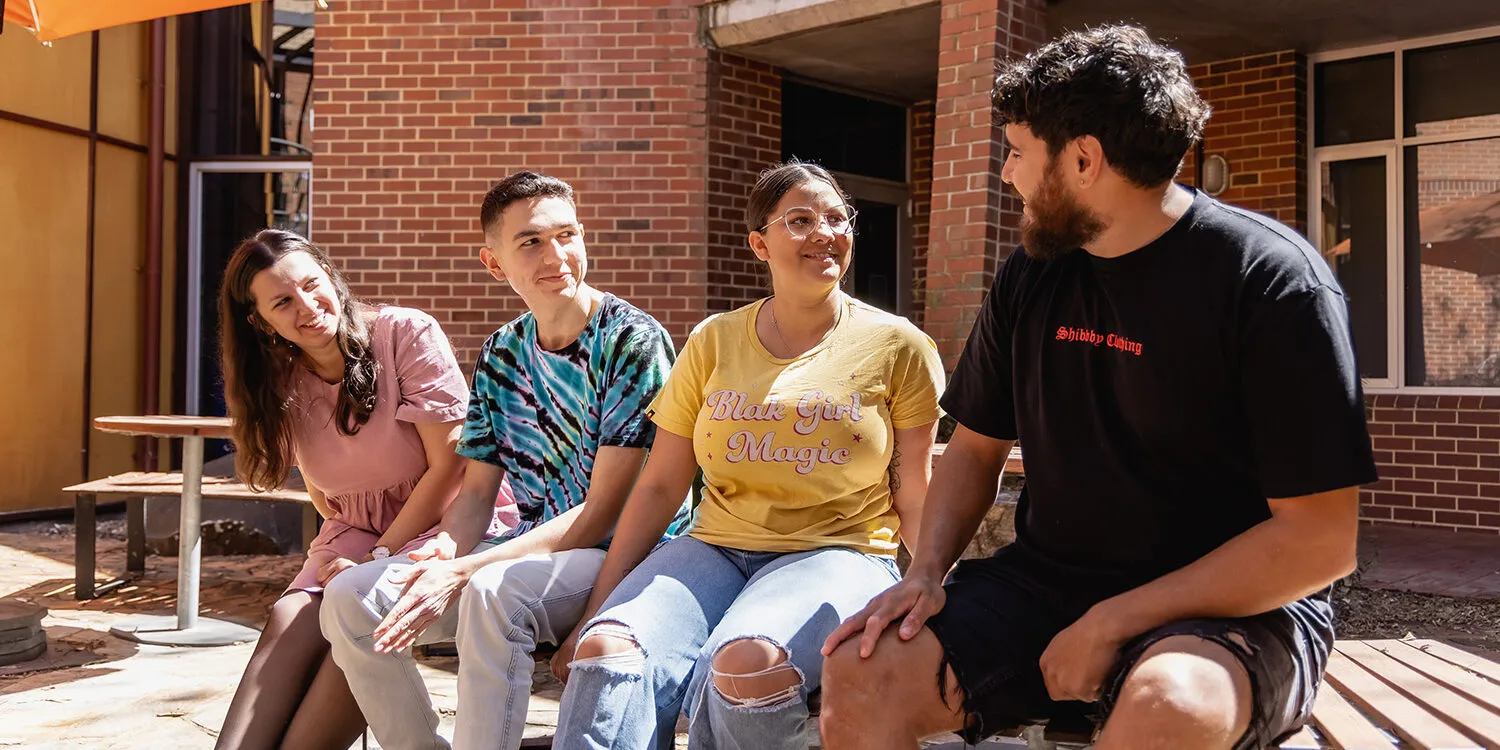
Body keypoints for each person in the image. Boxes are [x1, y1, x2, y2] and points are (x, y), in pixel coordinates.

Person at [818, 24, 1378, 750]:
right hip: (1045, 584)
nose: (1006, 172)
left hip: (1234, 613)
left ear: (1084, 159)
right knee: (863, 669)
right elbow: (976, 449)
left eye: (1017, 151)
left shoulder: (1270, 283)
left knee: (1167, 706)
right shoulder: (1034, 270)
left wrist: (1117, 620)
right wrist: (926, 571)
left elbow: (1321, 542)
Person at [551, 160, 946, 750]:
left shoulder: (898, 345)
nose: (824, 232)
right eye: (800, 220)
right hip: (713, 549)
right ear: (760, 243)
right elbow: (660, 486)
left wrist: (932, 583)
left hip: (841, 551)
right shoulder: (714, 339)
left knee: (747, 664)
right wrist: (596, 608)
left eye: (837, 218)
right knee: (607, 651)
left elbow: (915, 489)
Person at [319, 171, 684, 750]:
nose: (556, 255)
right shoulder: (502, 351)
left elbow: (605, 510)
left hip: (629, 554)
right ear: (494, 264)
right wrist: (433, 553)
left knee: (492, 591)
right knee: (351, 598)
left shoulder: (632, 342)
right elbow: (475, 496)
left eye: (567, 235)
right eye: (532, 242)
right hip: (536, 549)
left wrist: (461, 571)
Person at [215, 229, 474, 749]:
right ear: (259, 320)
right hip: (355, 533)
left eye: (313, 286)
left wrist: (378, 554)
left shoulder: (405, 333)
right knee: (290, 615)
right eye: (283, 302)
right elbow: (325, 491)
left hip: (447, 521)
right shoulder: (279, 379)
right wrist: (351, 545)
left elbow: (449, 469)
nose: (308, 308)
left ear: (331, 276)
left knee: (350, 626)